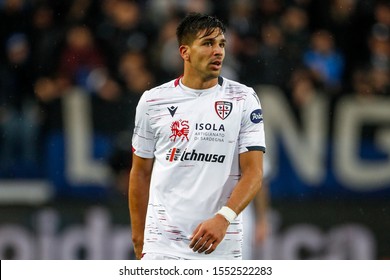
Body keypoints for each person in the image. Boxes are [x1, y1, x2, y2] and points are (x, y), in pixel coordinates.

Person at [128, 12, 266, 260]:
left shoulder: (244, 99)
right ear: (185, 52)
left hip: (221, 247)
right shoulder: (153, 101)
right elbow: (140, 173)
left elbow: (254, 173)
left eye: (222, 44)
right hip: (162, 248)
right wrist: (140, 240)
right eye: (208, 43)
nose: (218, 51)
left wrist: (224, 218)